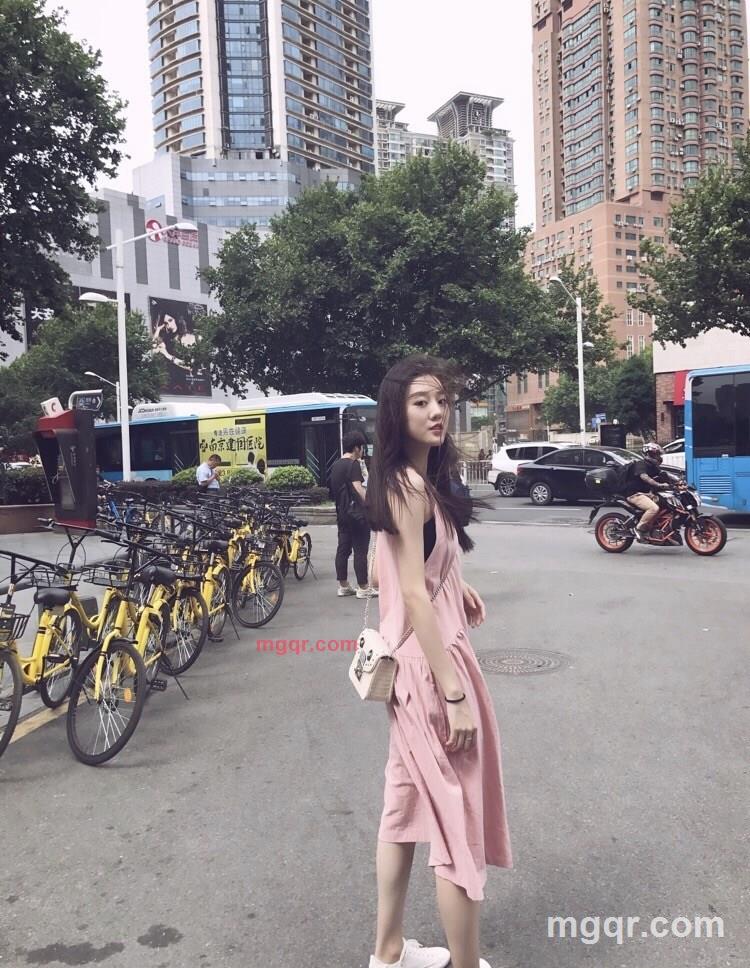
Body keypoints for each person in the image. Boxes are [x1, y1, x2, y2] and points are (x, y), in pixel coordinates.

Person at [364, 355, 511, 968]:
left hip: (410, 668)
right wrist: (453, 694)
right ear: (396, 411)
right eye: (421, 401)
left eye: (443, 401)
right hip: (431, 672)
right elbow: (412, 591)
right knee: (457, 824)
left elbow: (400, 573)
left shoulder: (407, 482)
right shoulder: (407, 485)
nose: (437, 412)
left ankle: (388, 952)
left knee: (402, 809)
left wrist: (454, 581)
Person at [329, 430, 376, 599]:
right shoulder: (353, 464)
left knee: (343, 549)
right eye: (362, 447)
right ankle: (363, 588)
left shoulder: (335, 465)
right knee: (360, 550)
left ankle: (343, 586)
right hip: (357, 515)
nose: (362, 451)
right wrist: (370, 504)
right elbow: (358, 488)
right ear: (356, 448)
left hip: (342, 514)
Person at [622, 442, 672, 539]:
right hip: (634, 494)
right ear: (649, 454)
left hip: (646, 494)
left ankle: (654, 527)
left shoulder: (653, 467)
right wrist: (658, 484)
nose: (658, 457)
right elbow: (644, 477)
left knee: (665, 504)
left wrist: (679, 482)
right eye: (656, 454)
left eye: (659, 455)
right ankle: (638, 529)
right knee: (653, 508)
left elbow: (665, 475)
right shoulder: (640, 464)